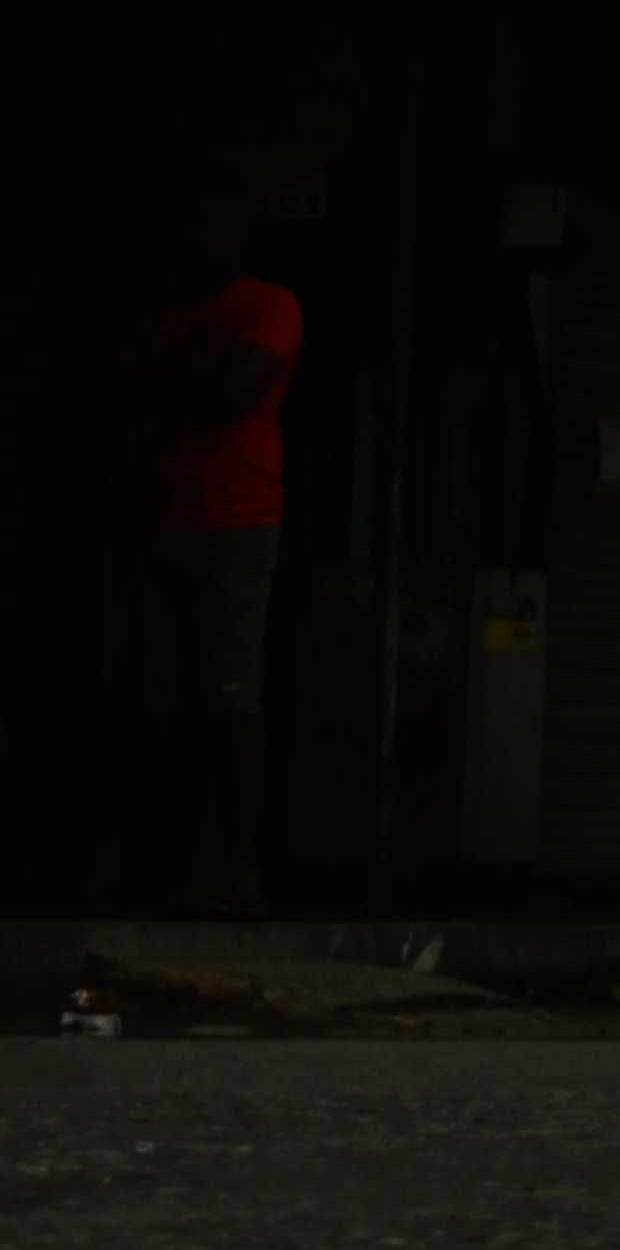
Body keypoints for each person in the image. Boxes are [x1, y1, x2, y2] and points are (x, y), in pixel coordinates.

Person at [123, 232, 297, 916]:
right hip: (167, 517)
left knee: (229, 697)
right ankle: (173, 865)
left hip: (237, 517)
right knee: (164, 696)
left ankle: (235, 870)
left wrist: (174, 374)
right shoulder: (179, 318)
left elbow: (231, 389)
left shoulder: (269, 304)